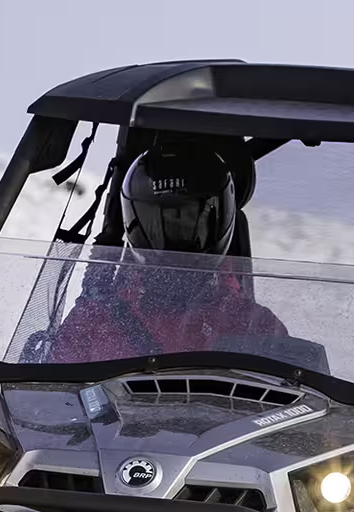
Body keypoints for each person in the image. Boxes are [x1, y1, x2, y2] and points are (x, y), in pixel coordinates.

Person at [46, 142, 302, 365]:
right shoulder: (97, 316)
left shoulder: (252, 324)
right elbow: (46, 399)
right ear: (133, 221)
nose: (175, 233)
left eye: (190, 218)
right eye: (160, 221)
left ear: (220, 219)